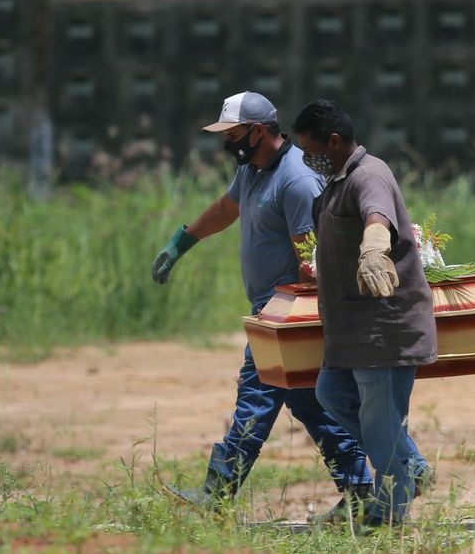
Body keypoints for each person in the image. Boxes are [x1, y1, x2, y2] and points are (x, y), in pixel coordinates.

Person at [151, 91, 373, 518]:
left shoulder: (296, 180)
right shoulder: (252, 169)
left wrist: (293, 317)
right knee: (310, 403)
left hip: (287, 313)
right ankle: (362, 490)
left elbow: (312, 259)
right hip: (269, 309)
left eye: (233, 134)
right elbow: (226, 208)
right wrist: (182, 242)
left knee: (256, 397)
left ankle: (216, 496)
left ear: (258, 131)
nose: (227, 144)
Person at [292, 99, 436, 530]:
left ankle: (389, 512)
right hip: (349, 330)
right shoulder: (337, 180)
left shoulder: (369, 174)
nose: (306, 159)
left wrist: (375, 246)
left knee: (378, 421)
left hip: (382, 327)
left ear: (334, 142)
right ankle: (410, 467)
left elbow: (377, 217)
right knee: (331, 395)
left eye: (310, 150)